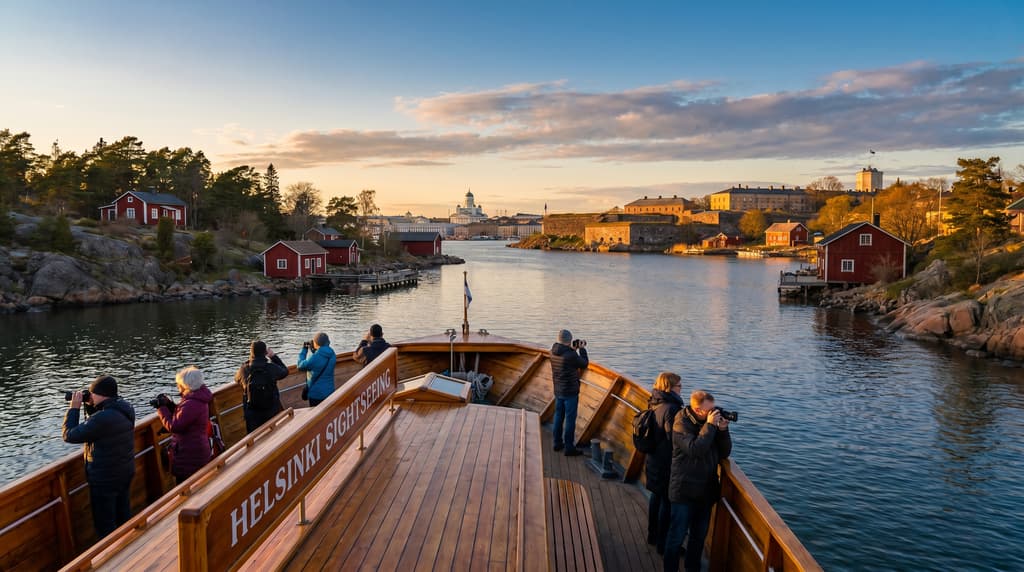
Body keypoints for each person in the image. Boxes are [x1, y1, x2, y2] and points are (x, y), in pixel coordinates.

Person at [663, 390, 732, 572]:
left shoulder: (711, 424)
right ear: (698, 409)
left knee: (698, 539)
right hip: (683, 492)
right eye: (710, 410)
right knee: (676, 538)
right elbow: (696, 449)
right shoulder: (680, 423)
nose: (713, 413)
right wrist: (710, 426)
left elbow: (725, 452)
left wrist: (723, 430)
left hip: (705, 492)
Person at [62, 375, 136, 538]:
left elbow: (69, 435)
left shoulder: (103, 418)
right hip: (123, 472)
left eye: (91, 393)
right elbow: (96, 428)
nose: (89, 395)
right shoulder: (124, 407)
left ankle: (112, 559)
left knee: (105, 525)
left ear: (101, 394)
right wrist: (91, 406)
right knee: (123, 516)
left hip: (105, 479)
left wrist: (74, 408)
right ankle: (129, 549)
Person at [645, 372, 684, 555]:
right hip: (666, 463)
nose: (681, 389)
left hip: (653, 459)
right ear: (670, 387)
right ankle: (663, 544)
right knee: (667, 504)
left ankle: (652, 535)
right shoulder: (671, 409)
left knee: (656, 498)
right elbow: (673, 439)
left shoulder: (654, 401)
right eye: (679, 386)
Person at [156, 366, 213, 484]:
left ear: (186, 385)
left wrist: (161, 408)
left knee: (187, 490)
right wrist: (170, 405)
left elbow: (174, 426)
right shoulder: (197, 398)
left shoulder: (191, 403)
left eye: (179, 384)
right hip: (197, 450)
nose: (178, 387)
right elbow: (184, 417)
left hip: (189, 456)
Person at [234, 341, 289, 433]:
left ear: (251, 353)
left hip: (253, 415)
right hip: (271, 411)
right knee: (274, 435)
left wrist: (249, 361)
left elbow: (236, 379)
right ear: (265, 353)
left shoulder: (244, 370)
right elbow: (285, 371)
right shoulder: (271, 368)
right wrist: (273, 357)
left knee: (255, 440)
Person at [549, 329, 588, 457]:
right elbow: (584, 363)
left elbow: (567, 357)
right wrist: (581, 349)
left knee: (558, 416)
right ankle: (569, 447)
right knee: (570, 420)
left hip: (558, 390)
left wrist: (572, 349)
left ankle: (557, 443)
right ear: (569, 340)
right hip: (570, 392)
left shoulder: (552, 352)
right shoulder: (571, 355)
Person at [298, 332, 337, 406]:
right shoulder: (332, 353)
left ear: (316, 343)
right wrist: (315, 351)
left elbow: (300, 366)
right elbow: (320, 358)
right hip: (330, 391)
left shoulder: (314, 358)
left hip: (316, 395)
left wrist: (304, 350)